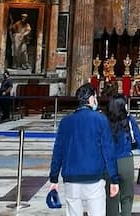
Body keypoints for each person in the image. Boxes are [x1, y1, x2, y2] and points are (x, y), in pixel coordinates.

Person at [49, 83, 119, 216]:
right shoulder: (101, 119)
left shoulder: (65, 122)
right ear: (91, 99)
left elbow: (58, 152)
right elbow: (108, 152)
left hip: (71, 179)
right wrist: (114, 179)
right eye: (95, 97)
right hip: (94, 178)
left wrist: (54, 178)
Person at [105, 93, 140, 216]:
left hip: (109, 162)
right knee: (127, 196)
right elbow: (138, 137)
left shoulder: (104, 121)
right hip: (126, 161)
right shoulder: (129, 120)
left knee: (112, 196)